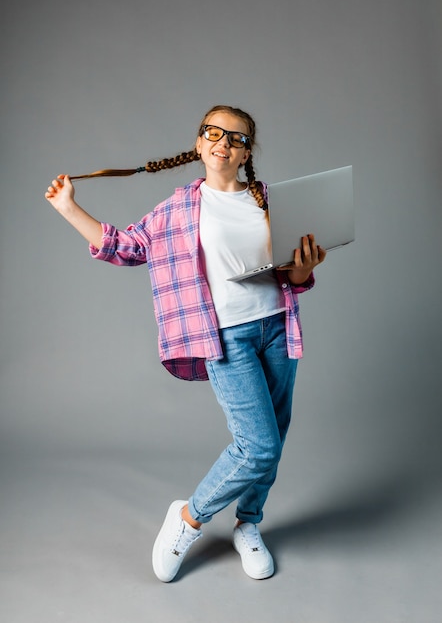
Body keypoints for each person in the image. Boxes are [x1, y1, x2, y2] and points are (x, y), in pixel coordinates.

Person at [45, 104, 326, 582]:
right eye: (212, 132)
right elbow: (126, 247)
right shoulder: (176, 209)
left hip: (278, 327)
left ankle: (248, 524)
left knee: (272, 444)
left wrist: (303, 269)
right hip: (225, 338)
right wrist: (69, 207)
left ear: (245, 153)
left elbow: (290, 275)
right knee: (256, 445)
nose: (222, 141)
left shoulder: (268, 201)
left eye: (235, 138)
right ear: (199, 143)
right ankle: (189, 518)